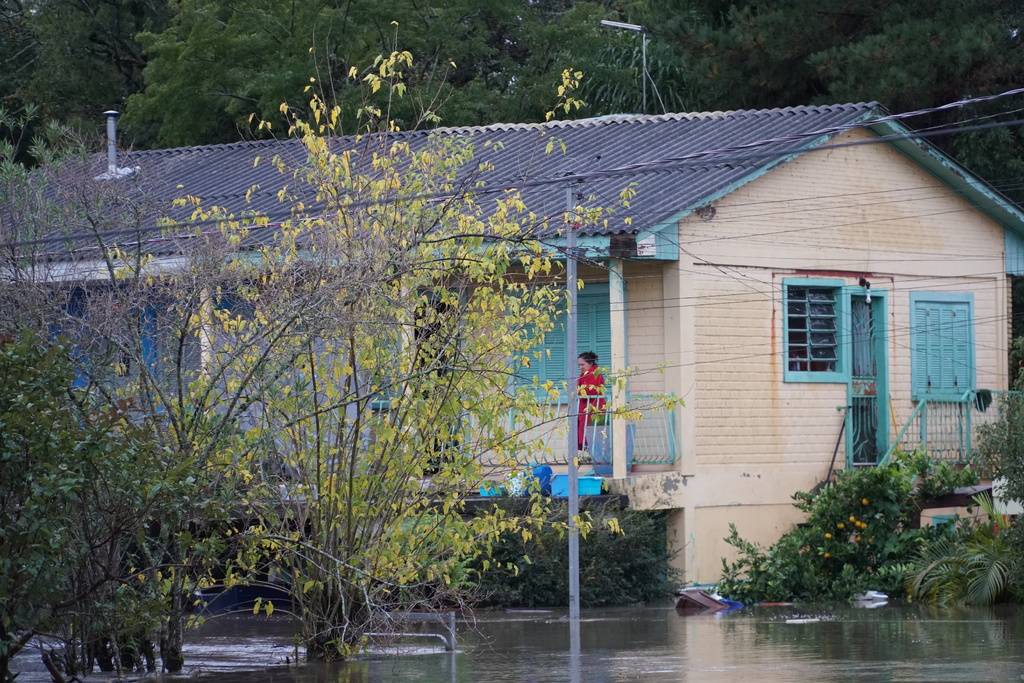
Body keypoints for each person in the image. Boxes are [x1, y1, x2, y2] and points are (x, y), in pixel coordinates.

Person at [576, 351, 606, 450]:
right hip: (587, 410)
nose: (581, 367)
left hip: (592, 409)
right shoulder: (586, 375)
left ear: (591, 363)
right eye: (579, 365)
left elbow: (591, 390)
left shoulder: (594, 374)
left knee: (592, 436)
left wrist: (578, 391)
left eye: (583, 364)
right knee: (589, 436)